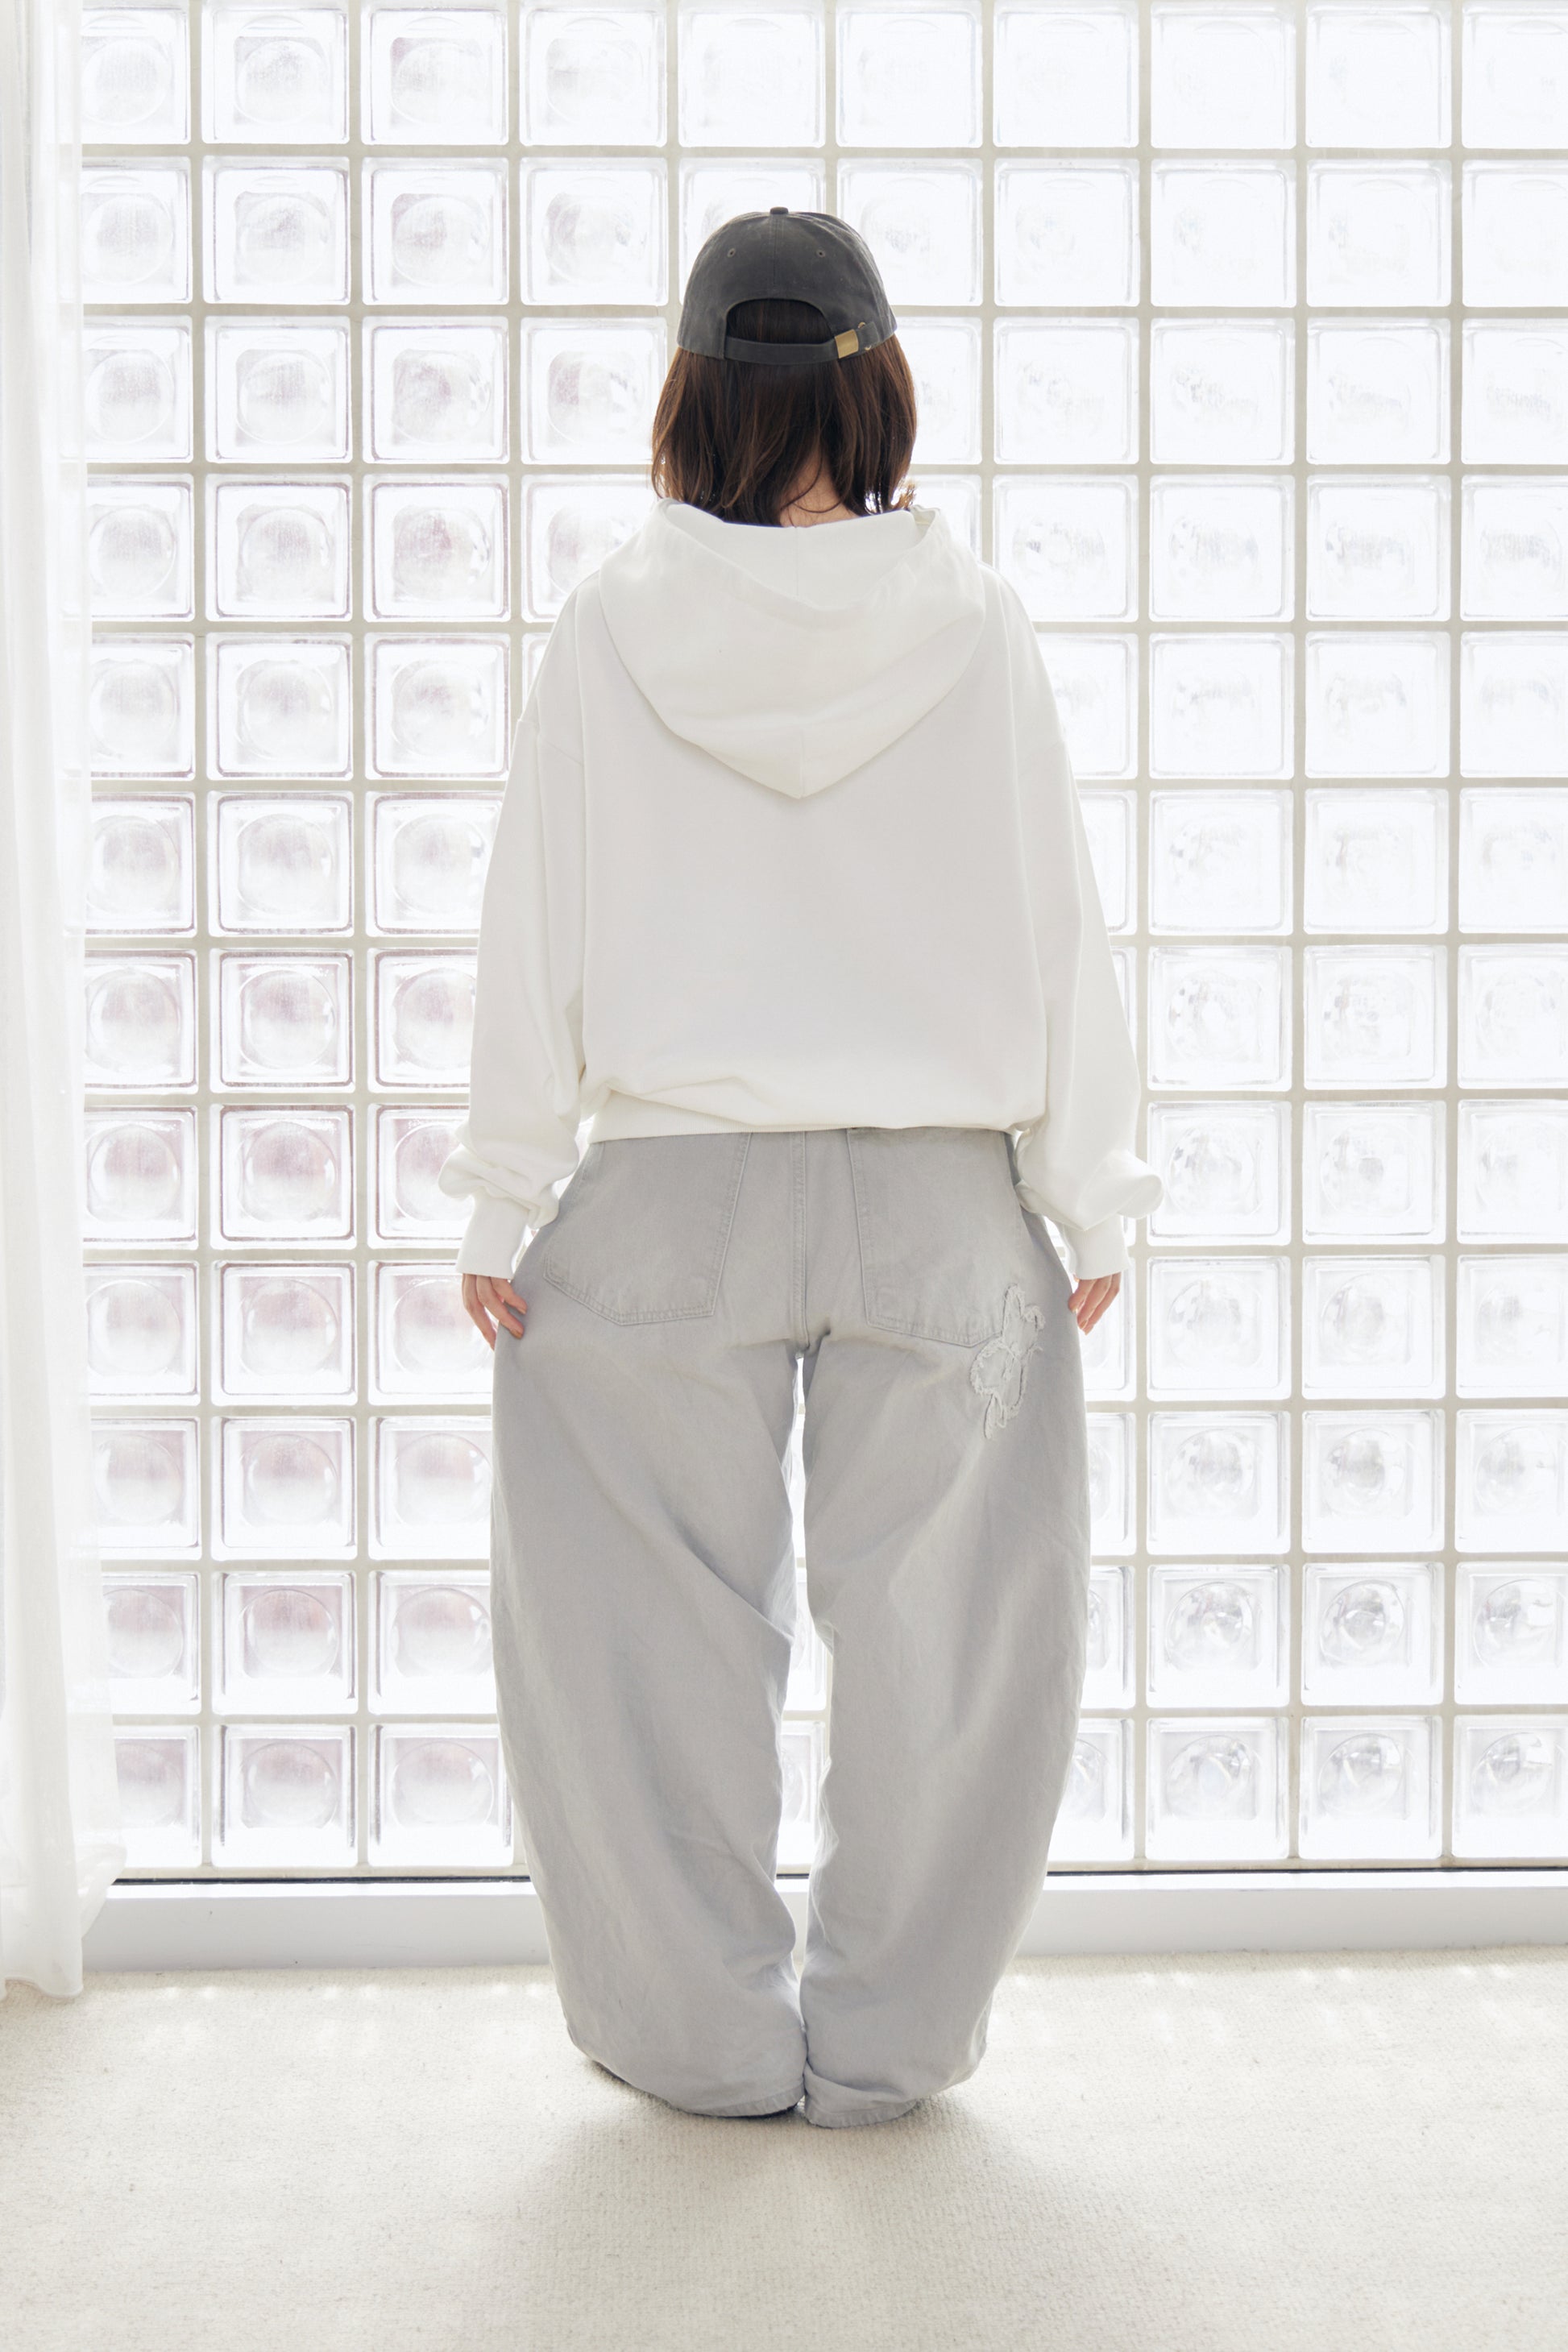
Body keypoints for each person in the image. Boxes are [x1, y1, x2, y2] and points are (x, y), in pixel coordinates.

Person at [440, 208, 1161, 2130]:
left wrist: (503, 1188)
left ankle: (699, 2039)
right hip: (941, 1206)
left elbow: (535, 915)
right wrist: (1091, 1185)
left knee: (631, 1642)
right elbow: (1054, 916)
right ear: (879, 387)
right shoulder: (977, 622)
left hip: (665, 1198)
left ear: (692, 396)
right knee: (960, 1649)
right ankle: (888, 2042)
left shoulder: (612, 623)